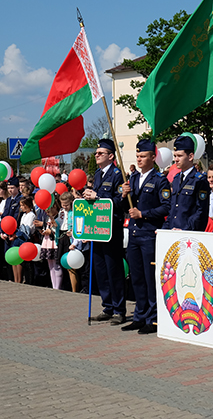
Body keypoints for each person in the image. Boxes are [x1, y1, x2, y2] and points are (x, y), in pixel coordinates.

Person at [120, 139, 171, 334]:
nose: (139, 159)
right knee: (137, 277)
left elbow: (166, 206)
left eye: (143, 156)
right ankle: (139, 315)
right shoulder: (132, 178)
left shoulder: (160, 180)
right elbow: (125, 208)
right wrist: (124, 196)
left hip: (149, 233)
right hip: (134, 233)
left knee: (151, 278)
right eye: (138, 156)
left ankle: (153, 317)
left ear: (152, 157)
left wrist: (144, 214)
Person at [84, 139, 127, 325]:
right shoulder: (98, 174)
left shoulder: (118, 175)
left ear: (111, 156)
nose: (96, 155)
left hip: (111, 228)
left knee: (113, 269)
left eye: (100, 153)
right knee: (100, 270)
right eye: (96, 153)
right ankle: (107, 306)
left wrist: (98, 196)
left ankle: (119, 309)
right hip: (97, 229)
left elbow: (120, 202)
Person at [162, 135, 209, 232]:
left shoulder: (199, 180)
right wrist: (165, 229)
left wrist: (185, 229)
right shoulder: (176, 179)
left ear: (190, 156)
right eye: (175, 156)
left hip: (189, 234)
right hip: (173, 231)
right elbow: (173, 209)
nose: (176, 159)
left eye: (179, 156)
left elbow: (201, 211)